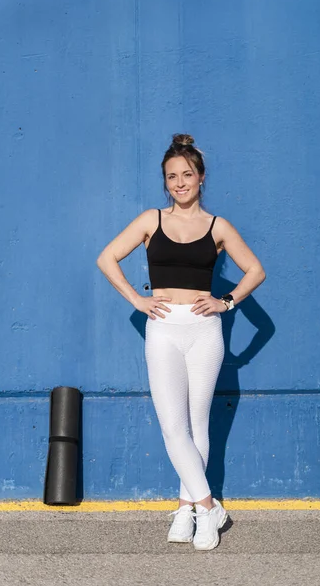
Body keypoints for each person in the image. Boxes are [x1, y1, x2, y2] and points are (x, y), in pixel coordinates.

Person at [96, 133, 266, 550]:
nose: (179, 182)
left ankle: (188, 509)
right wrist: (137, 298)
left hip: (204, 330)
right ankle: (210, 508)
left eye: (186, 174)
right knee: (174, 426)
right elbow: (106, 258)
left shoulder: (218, 226)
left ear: (201, 177)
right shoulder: (150, 220)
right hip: (165, 327)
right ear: (165, 182)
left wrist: (226, 302)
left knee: (197, 424)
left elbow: (255, 271)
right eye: (172, 176)